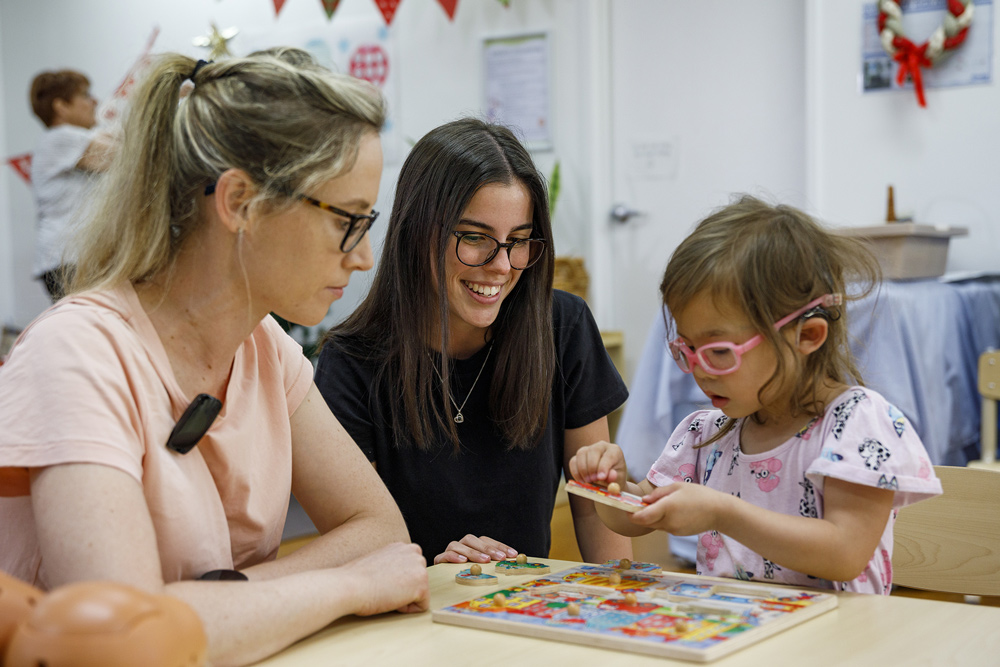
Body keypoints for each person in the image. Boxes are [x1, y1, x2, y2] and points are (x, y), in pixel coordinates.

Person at [0, 50, 428, 666]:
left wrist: (208, 604)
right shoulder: (76, 353)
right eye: (348, 221)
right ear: (239, 202)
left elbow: (380, 531)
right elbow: (121, 643)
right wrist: (349, 587)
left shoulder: (265, 347)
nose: (363, 259)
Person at [569, 195, 943, 594]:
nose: (698, 370)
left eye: (718, 353)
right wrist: (610, 486)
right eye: (687, 350)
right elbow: (635, 516)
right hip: (730, 636)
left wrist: (721, 512)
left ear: (807, 336)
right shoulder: (704, 433)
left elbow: (845, 553)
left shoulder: (856, 424)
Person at [315, 118, 633, 566]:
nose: (501, 266)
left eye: (518, 241)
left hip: (529, 610)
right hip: (407, 613)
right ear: (417, 231)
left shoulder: (563, 326)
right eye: (476, 238)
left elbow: (598, 513)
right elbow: (355, 550)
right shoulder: (350, 362)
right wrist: (432, 574)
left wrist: (622, 608)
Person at [28, 69, 116, 301]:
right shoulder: (59, 137)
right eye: (85, 95)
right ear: (61, 106)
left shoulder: (74, 140)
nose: (94, 101)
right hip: (68, 260)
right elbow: (125, 154)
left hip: (74, 258)